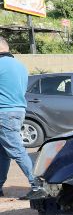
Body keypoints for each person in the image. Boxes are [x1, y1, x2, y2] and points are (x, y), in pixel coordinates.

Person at [0, 37, 42, 200]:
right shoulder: (20, 66)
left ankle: (37, 185)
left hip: (4, 113)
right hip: (18, 110)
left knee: (16, 150)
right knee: (3, 152)